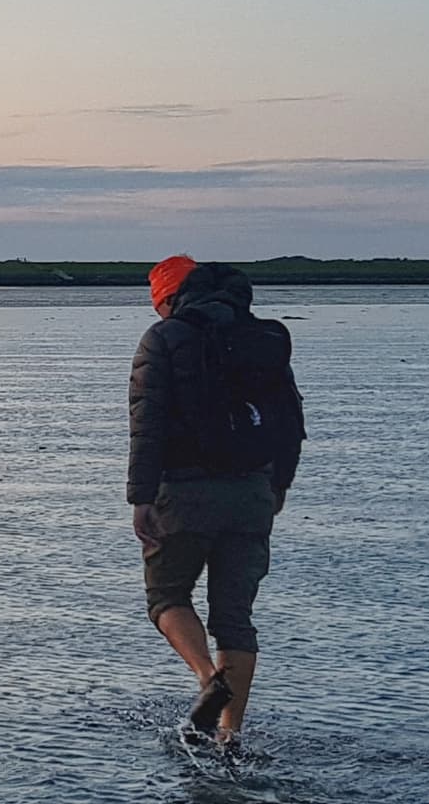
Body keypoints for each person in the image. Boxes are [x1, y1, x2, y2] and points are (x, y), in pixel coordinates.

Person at [128, 255, 305, 749]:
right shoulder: (266, 339)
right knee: (234, 619)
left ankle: (208, 678)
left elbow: (147, 425)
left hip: (181, 493)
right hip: (252, 492)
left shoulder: (161, 340)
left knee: (166, 597)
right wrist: (279, 486)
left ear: (170, 300)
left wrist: (140, 498)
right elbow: (290, 418)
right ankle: (230, 736)